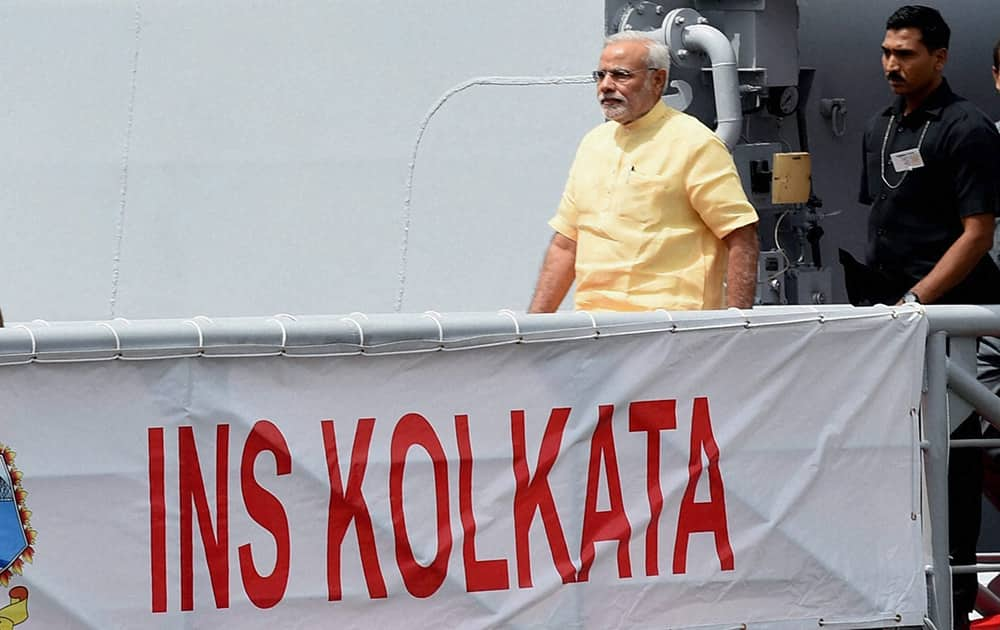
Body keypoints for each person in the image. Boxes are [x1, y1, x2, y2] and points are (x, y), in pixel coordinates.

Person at [852, 6, 1000, 628]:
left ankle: (958, 599)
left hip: (949, 320)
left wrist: (918, 302)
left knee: (961, 456)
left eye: (906, 53)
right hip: (892, 319)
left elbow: (976, 235)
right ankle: (905, 591)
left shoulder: (966, 127)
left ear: (938, 58)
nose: (892, 64)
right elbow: (885, 219)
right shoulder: (879, 127)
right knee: (897, 456)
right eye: (887, 52)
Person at [528, 31, 759, 313]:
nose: (606, 86)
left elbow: (740, 234)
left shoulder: (693, 142)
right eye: (600, 75)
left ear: (657, 80)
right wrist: (532, 328)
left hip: (668, 328)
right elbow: (566, 244)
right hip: (594, 327)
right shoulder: (593, 143)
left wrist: (735, 326)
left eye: (621, 75)